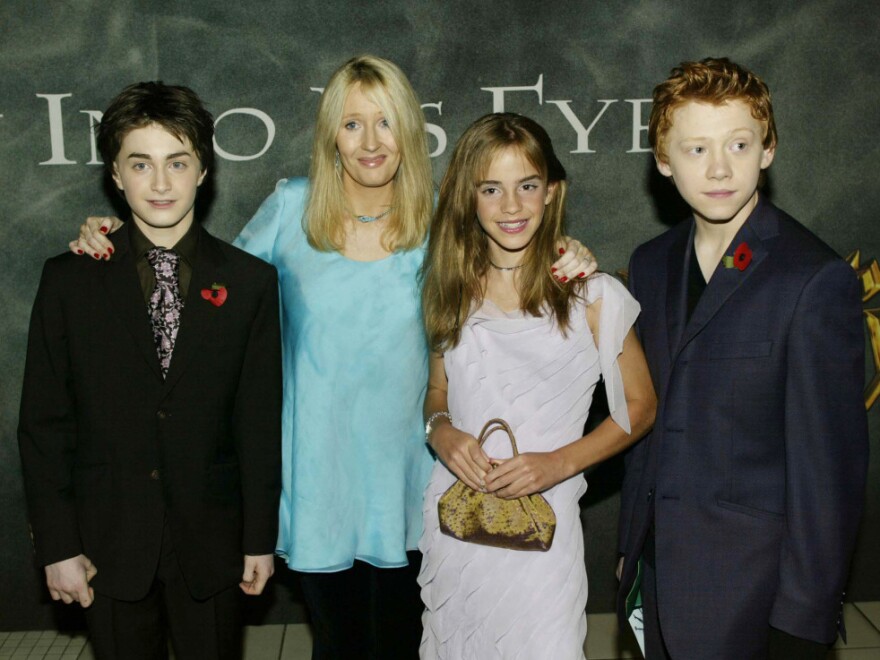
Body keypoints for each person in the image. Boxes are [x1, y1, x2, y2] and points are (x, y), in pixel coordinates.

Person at [67, 56, 596, 658]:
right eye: (351, 125)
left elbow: (514, 246)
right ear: (330, 137)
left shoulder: (440, 214)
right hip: (317, 480)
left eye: (386, 122)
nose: (370, 142)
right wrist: (118, 237)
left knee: (400, 642)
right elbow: (204, 284)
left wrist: (567, 247)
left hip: (414, 470)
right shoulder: (292, 208)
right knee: (338, 643)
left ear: (408, 132)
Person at [18, 82, 282, 659]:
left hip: (212, 543)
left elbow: (257, 424)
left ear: (204, 170)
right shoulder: (69, 280)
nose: (161, 184)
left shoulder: (250, 283)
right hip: (105, 543)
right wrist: (58, 545)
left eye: (177, 162)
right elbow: (45, 425)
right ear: (115, 175)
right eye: (141, 163)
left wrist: (260, 538)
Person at [616, 57, 869, 659]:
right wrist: (631, 542)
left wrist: (801, 620)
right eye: (696, 149)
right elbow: (651, 422)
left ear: (768, 149)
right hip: (656, 577)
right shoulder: (650, 264)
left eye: (738, 143)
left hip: (755, 595)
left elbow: (828, 473)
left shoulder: (813, 279)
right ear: (663, 161)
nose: (720, 168)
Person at [418, 112, 656, 659]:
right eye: (491, 189)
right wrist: (442, 433)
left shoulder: (593, 295)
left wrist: (559, 463)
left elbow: (640, 408)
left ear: (552, 191)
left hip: (544, 530)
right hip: (454, 522)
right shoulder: (449, 288)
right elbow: (436, 392)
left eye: (527, 186)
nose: (510, 206)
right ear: (469, 198)